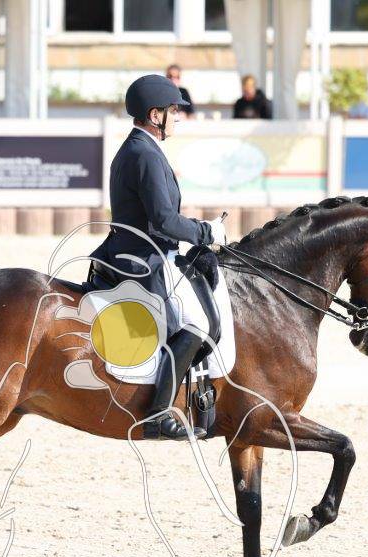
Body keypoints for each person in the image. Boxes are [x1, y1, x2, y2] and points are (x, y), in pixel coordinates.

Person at [89, 74, 227, 441]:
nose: (177, 117)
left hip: (139, 248)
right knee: (197, 324)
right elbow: (164, 220)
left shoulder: (139, 148)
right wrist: (206, 232)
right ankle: (158, 413)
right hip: (142, 258)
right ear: (155, 115)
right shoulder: (144, 154)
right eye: (173, 111)